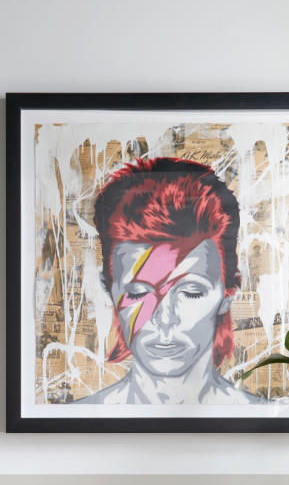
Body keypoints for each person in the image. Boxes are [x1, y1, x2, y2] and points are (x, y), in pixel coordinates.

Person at [78, 155, 255, 406]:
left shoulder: (270, 423)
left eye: (191, 292)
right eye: (138, 293)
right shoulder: (74, 420)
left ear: (229, 291)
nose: (165, 319)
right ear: (109, 290)